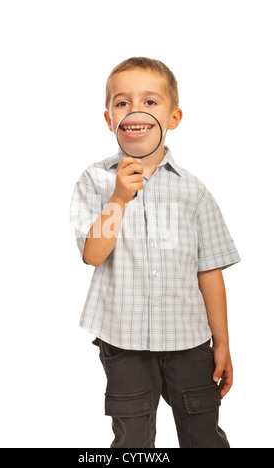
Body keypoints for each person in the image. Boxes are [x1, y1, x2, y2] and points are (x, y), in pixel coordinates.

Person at [70, 57, 241, 448]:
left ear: (174, 116)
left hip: (189, 343)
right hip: (124, 341)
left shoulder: (193, 192)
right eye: (122, 102)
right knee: (133, 439)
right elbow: (93, 255)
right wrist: (118, 197)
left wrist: (223, 342)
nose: (135, 110)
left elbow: (209, 270)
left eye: (150, 102)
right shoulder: (94, 181)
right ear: (109, 118)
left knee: (203, 434)